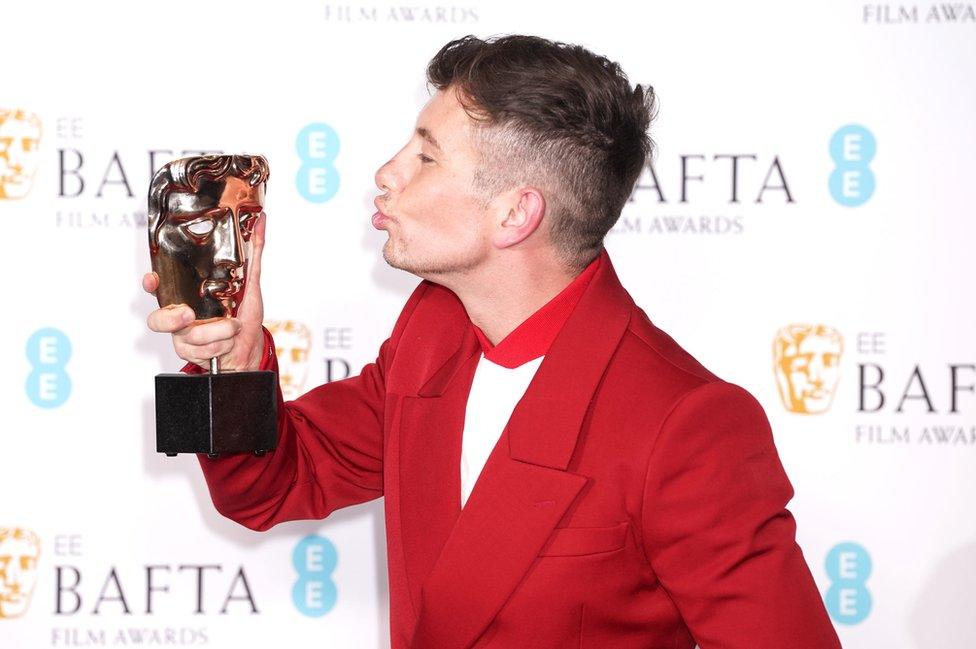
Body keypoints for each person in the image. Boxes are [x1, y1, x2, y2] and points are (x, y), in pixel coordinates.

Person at [144, 34, 842, 649]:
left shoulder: (687, 425)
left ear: (515, 213)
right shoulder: (431, 332)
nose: (387, 173)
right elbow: (273, 488)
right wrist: (227, 366)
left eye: (425, 157)